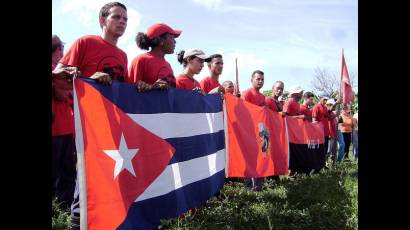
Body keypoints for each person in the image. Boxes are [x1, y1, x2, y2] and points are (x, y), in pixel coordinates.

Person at [54, 2, 129, 229]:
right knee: (85, 185)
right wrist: (87, 77)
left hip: (113, 129)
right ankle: (76, 224)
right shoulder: (85, 43)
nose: (122, 22)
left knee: (108, 184)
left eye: (125, 19)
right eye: (117, 17)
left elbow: (122, 91)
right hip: (86, 127)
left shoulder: (123, 56)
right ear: (102, 20)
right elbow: (59, 75)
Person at [52, 35, 76, 211]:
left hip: (67, 128)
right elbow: (62, 94)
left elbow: (69, 94)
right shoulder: (57, 71)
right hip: (55, 129)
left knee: (68, 173)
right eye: (59, 48)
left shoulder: (61, 70)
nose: (62, 51)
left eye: (61, 47)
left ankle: (64, 209)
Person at [127, 23, 182, 91]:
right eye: (172, 37)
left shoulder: (168, 65)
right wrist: (152, 87)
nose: (175, 41)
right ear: (160, 40)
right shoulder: (140, 60)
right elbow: (130, 92)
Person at [241, 70, 266, 191]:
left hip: (261, 132)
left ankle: (258, 185)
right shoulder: (247, 94)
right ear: (252, 80)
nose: (260, 81)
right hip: (249, 132)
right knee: (250, 160)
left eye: (262, 79)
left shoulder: (263, 97)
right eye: (258, 79)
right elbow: (243, 113)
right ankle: (249, 188)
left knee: (260, 158)